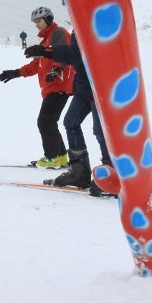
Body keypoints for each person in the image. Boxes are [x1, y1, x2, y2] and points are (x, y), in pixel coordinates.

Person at [25, 32, 113, 196]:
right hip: (83, 86)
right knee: (70, 122)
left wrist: (47, 52)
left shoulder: (92, 22)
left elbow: (77, 53)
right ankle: (79, 173)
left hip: (100, 84)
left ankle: (111, 175)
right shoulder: (77, 27)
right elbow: (75, 51)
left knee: (100, 131)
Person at [0, 6, 74, 169]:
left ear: (48, 20)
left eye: (38, 21)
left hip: (59, 84)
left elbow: (64, 52)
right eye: (35, 22)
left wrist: (56, 69)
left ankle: (52, 157)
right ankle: (60, 157)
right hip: (51, 87)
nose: (36, 25)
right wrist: (15, 73)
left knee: (45, 121)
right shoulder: (44, 42)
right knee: (50, 121)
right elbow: (35, 66)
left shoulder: (58, 33)